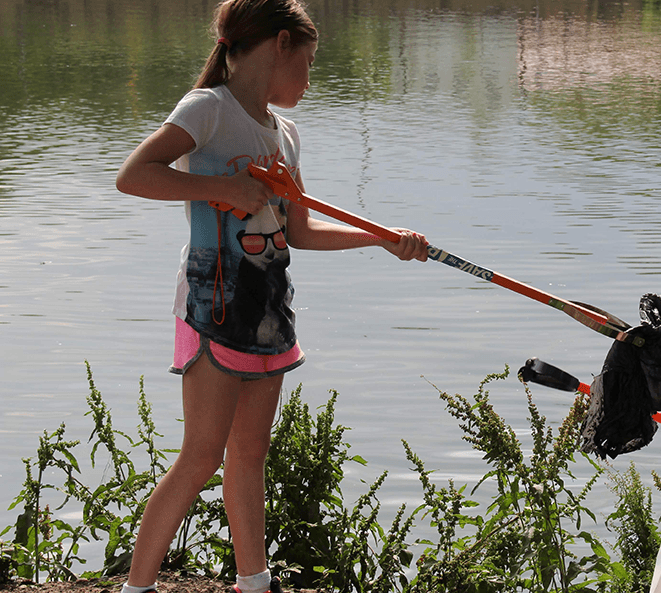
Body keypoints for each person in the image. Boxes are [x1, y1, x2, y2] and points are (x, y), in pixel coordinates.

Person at [114, 2, 429, 592]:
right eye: (307, 64)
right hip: (213, 305)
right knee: (202, 455)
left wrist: (382, 239)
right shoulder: (208, 108)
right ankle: (137, 588)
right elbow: (134, 175)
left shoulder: (284, 134)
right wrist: (219, 187)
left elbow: (302, 232)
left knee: (250, 454)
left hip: (268, 311)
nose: (309, 81)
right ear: (279, 44)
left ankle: (253, 583)